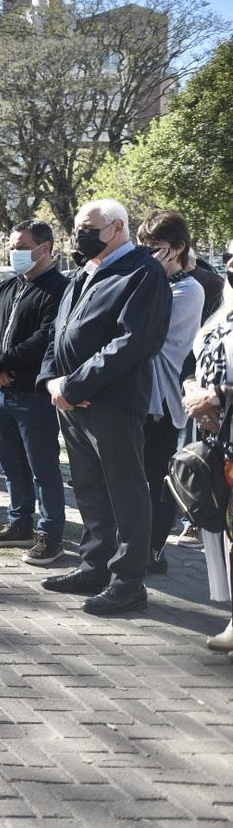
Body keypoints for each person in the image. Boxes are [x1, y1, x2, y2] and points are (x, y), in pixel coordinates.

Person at [38, 199, 171, 616]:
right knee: (90, 486)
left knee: (126, 490)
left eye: (88, 227)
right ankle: (94, 565)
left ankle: (129, 582)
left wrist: (76, 385)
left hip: (111, 401)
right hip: (72, 400)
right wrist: (51, 382)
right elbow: (57, 333)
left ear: (116, 228)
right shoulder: (85, 272)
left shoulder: (143, 273)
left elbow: (132, 342)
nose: (80, 235)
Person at [0, 221, 71, 566]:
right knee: (12, 463)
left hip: (32, 392)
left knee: (43, 467)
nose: (13, 252)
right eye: (12, 246)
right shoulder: (7, 288)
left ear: (44, 248)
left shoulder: (59, 288)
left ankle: (51, 534)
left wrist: (2, 362)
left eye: (21, 246)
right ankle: (20, 523)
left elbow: (47, 336)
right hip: (1, 391)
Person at [136, 212, 205, 573]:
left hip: (161, 401)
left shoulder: (188, 290)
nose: (148, 255)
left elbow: (152, 335)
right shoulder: (153, 282)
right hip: (135, 398)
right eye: (143, 248)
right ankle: (133, 542)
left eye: (156, 249)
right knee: (133, 478)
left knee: (155, 479)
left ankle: (154, 548)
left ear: (178, 248)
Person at [184, 257, 233, 654]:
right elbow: (191, 360)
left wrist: (215, 397)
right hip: (219, 441)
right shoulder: (222, 312)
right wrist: (191, 390)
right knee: (228, 530)